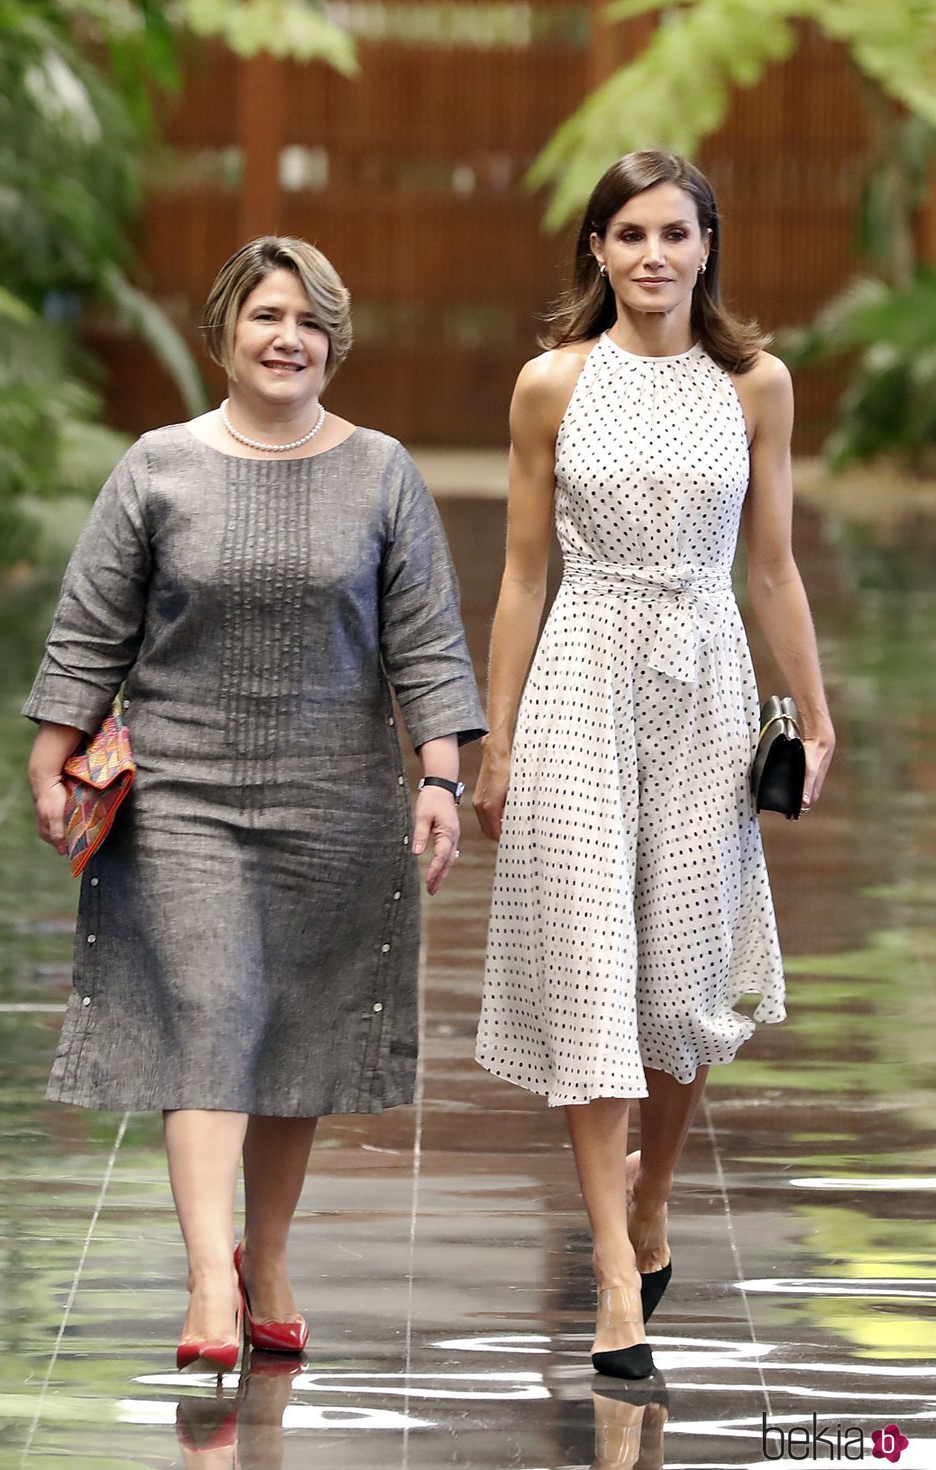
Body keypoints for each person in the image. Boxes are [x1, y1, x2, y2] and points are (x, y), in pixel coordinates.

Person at [24, 236, 485, 1372]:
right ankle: (205, 1286)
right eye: (268, 317)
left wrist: (438, 777)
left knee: (298, 1027)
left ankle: (265, 1261)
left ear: (334, 341)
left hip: (333, 798)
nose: (290, 339)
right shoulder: (156, 467)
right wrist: (51, 755)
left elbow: (427, 646)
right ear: (224, 334)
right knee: (213, 1016)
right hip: (182, 794)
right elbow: (91, 629)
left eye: (312, 321)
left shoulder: (381, 472)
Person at [473, 151, 834, 1379]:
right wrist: (496, 735)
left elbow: (773, 565)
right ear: (595, 250)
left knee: (680, 983)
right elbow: (523, 573)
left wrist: (815, 715)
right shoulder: (549, 385)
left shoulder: (755, 386)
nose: (650, 257)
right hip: (582, 671)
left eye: (673, 234)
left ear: (706, 245)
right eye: (626, 235)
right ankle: (613, 1284)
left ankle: (653, 1190)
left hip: (707, 682)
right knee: (589, 967)